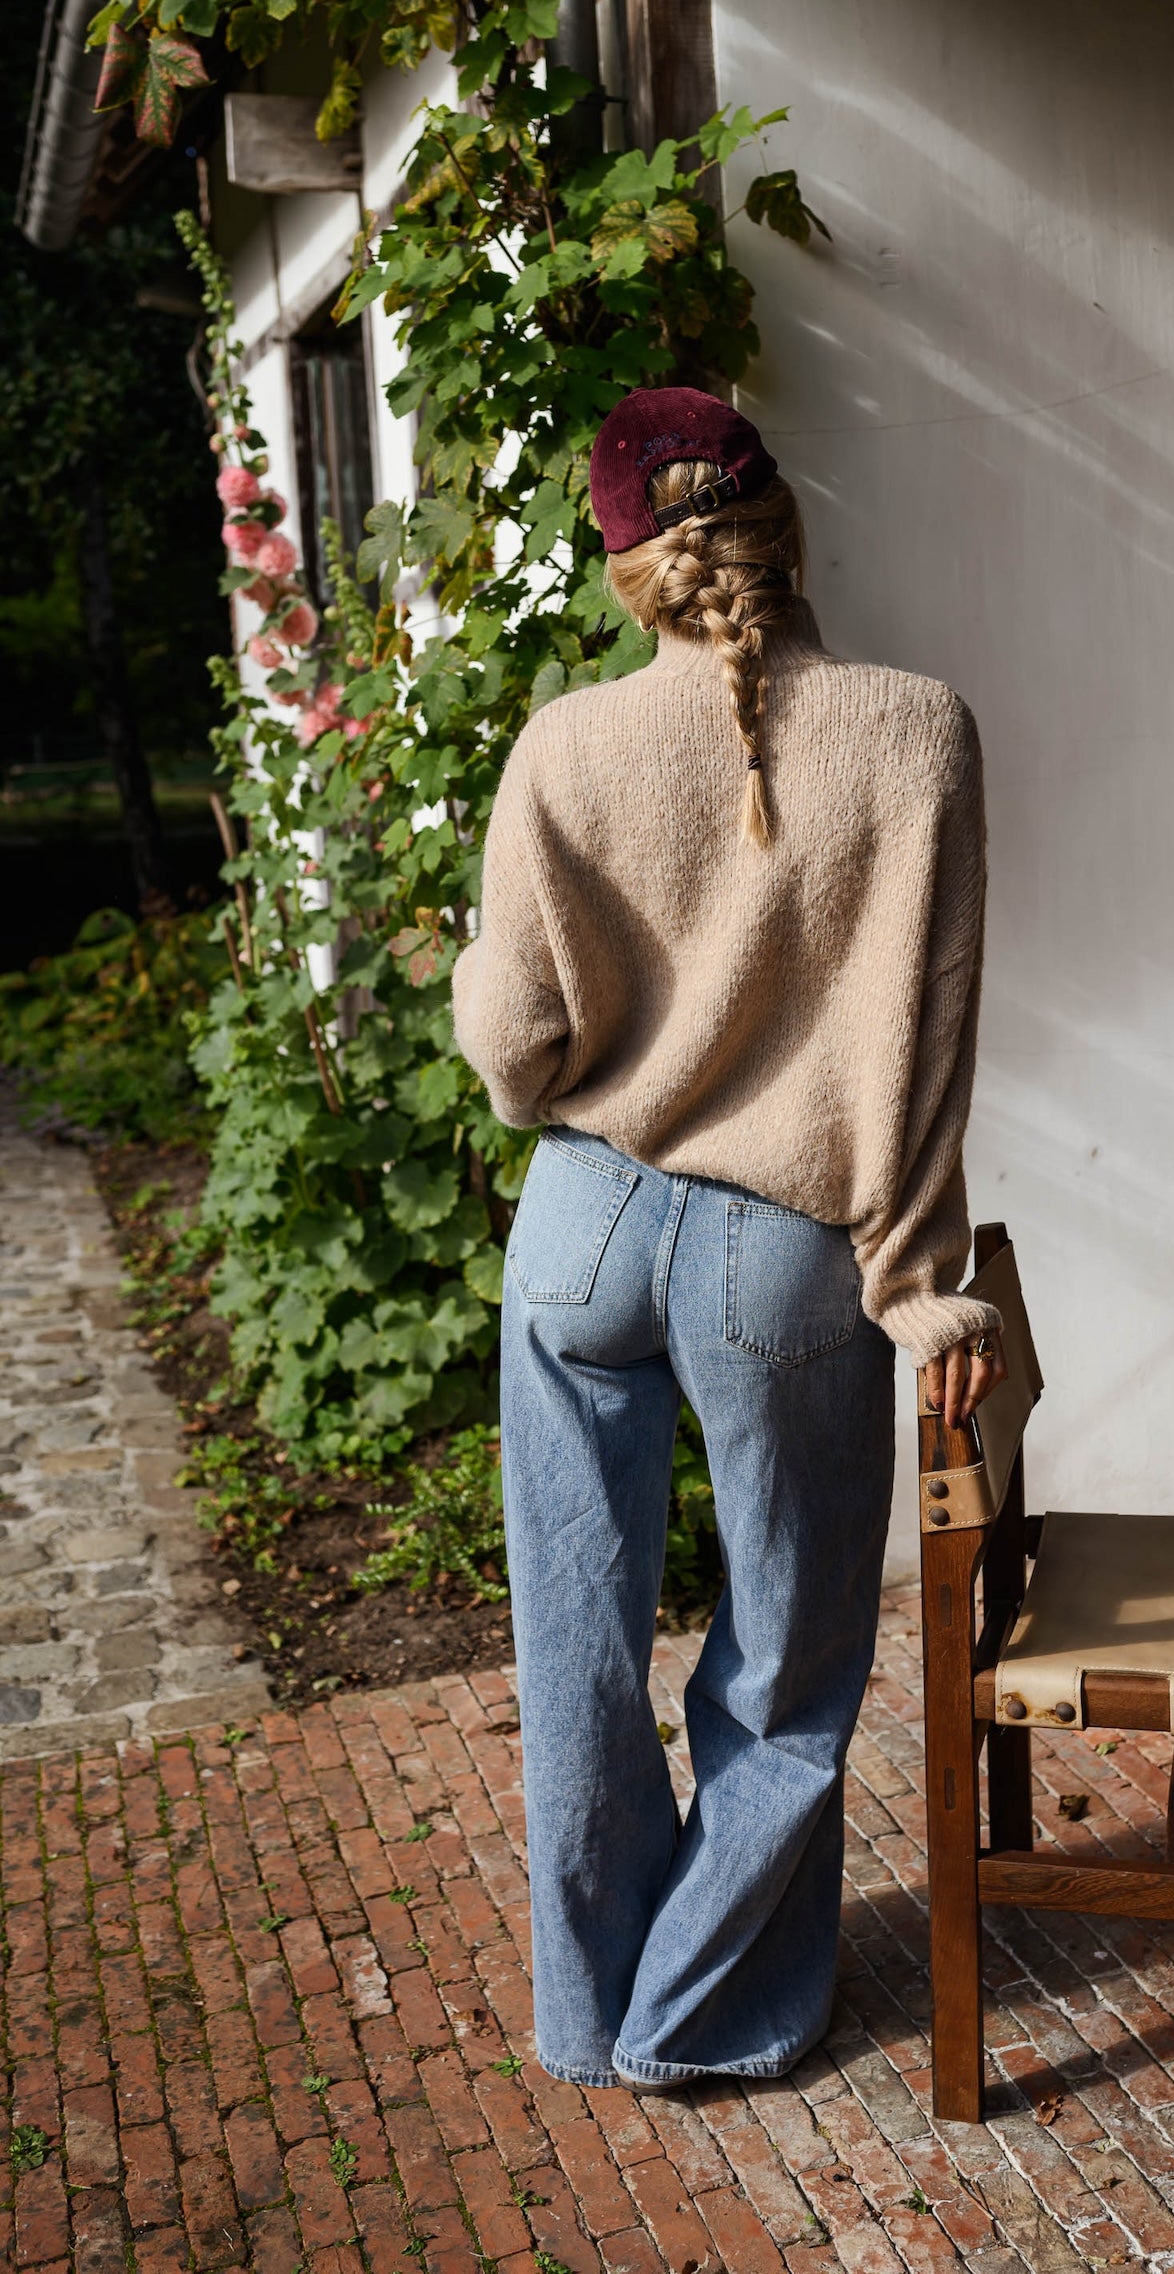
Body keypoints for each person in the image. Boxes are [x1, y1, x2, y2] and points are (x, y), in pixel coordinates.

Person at [452, 385, 1006, 2092]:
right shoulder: (920, 733)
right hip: (784, 1248)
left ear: (632, 572)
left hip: (578, 1228)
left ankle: (584, 2008)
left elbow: (513, 1047)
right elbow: (921, 1044)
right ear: (785, 530)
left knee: (576, 1637)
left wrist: (517, 1003)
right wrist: (913, 1283)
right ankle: (704, 2012)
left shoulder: (563, 745)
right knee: (785, 1653)